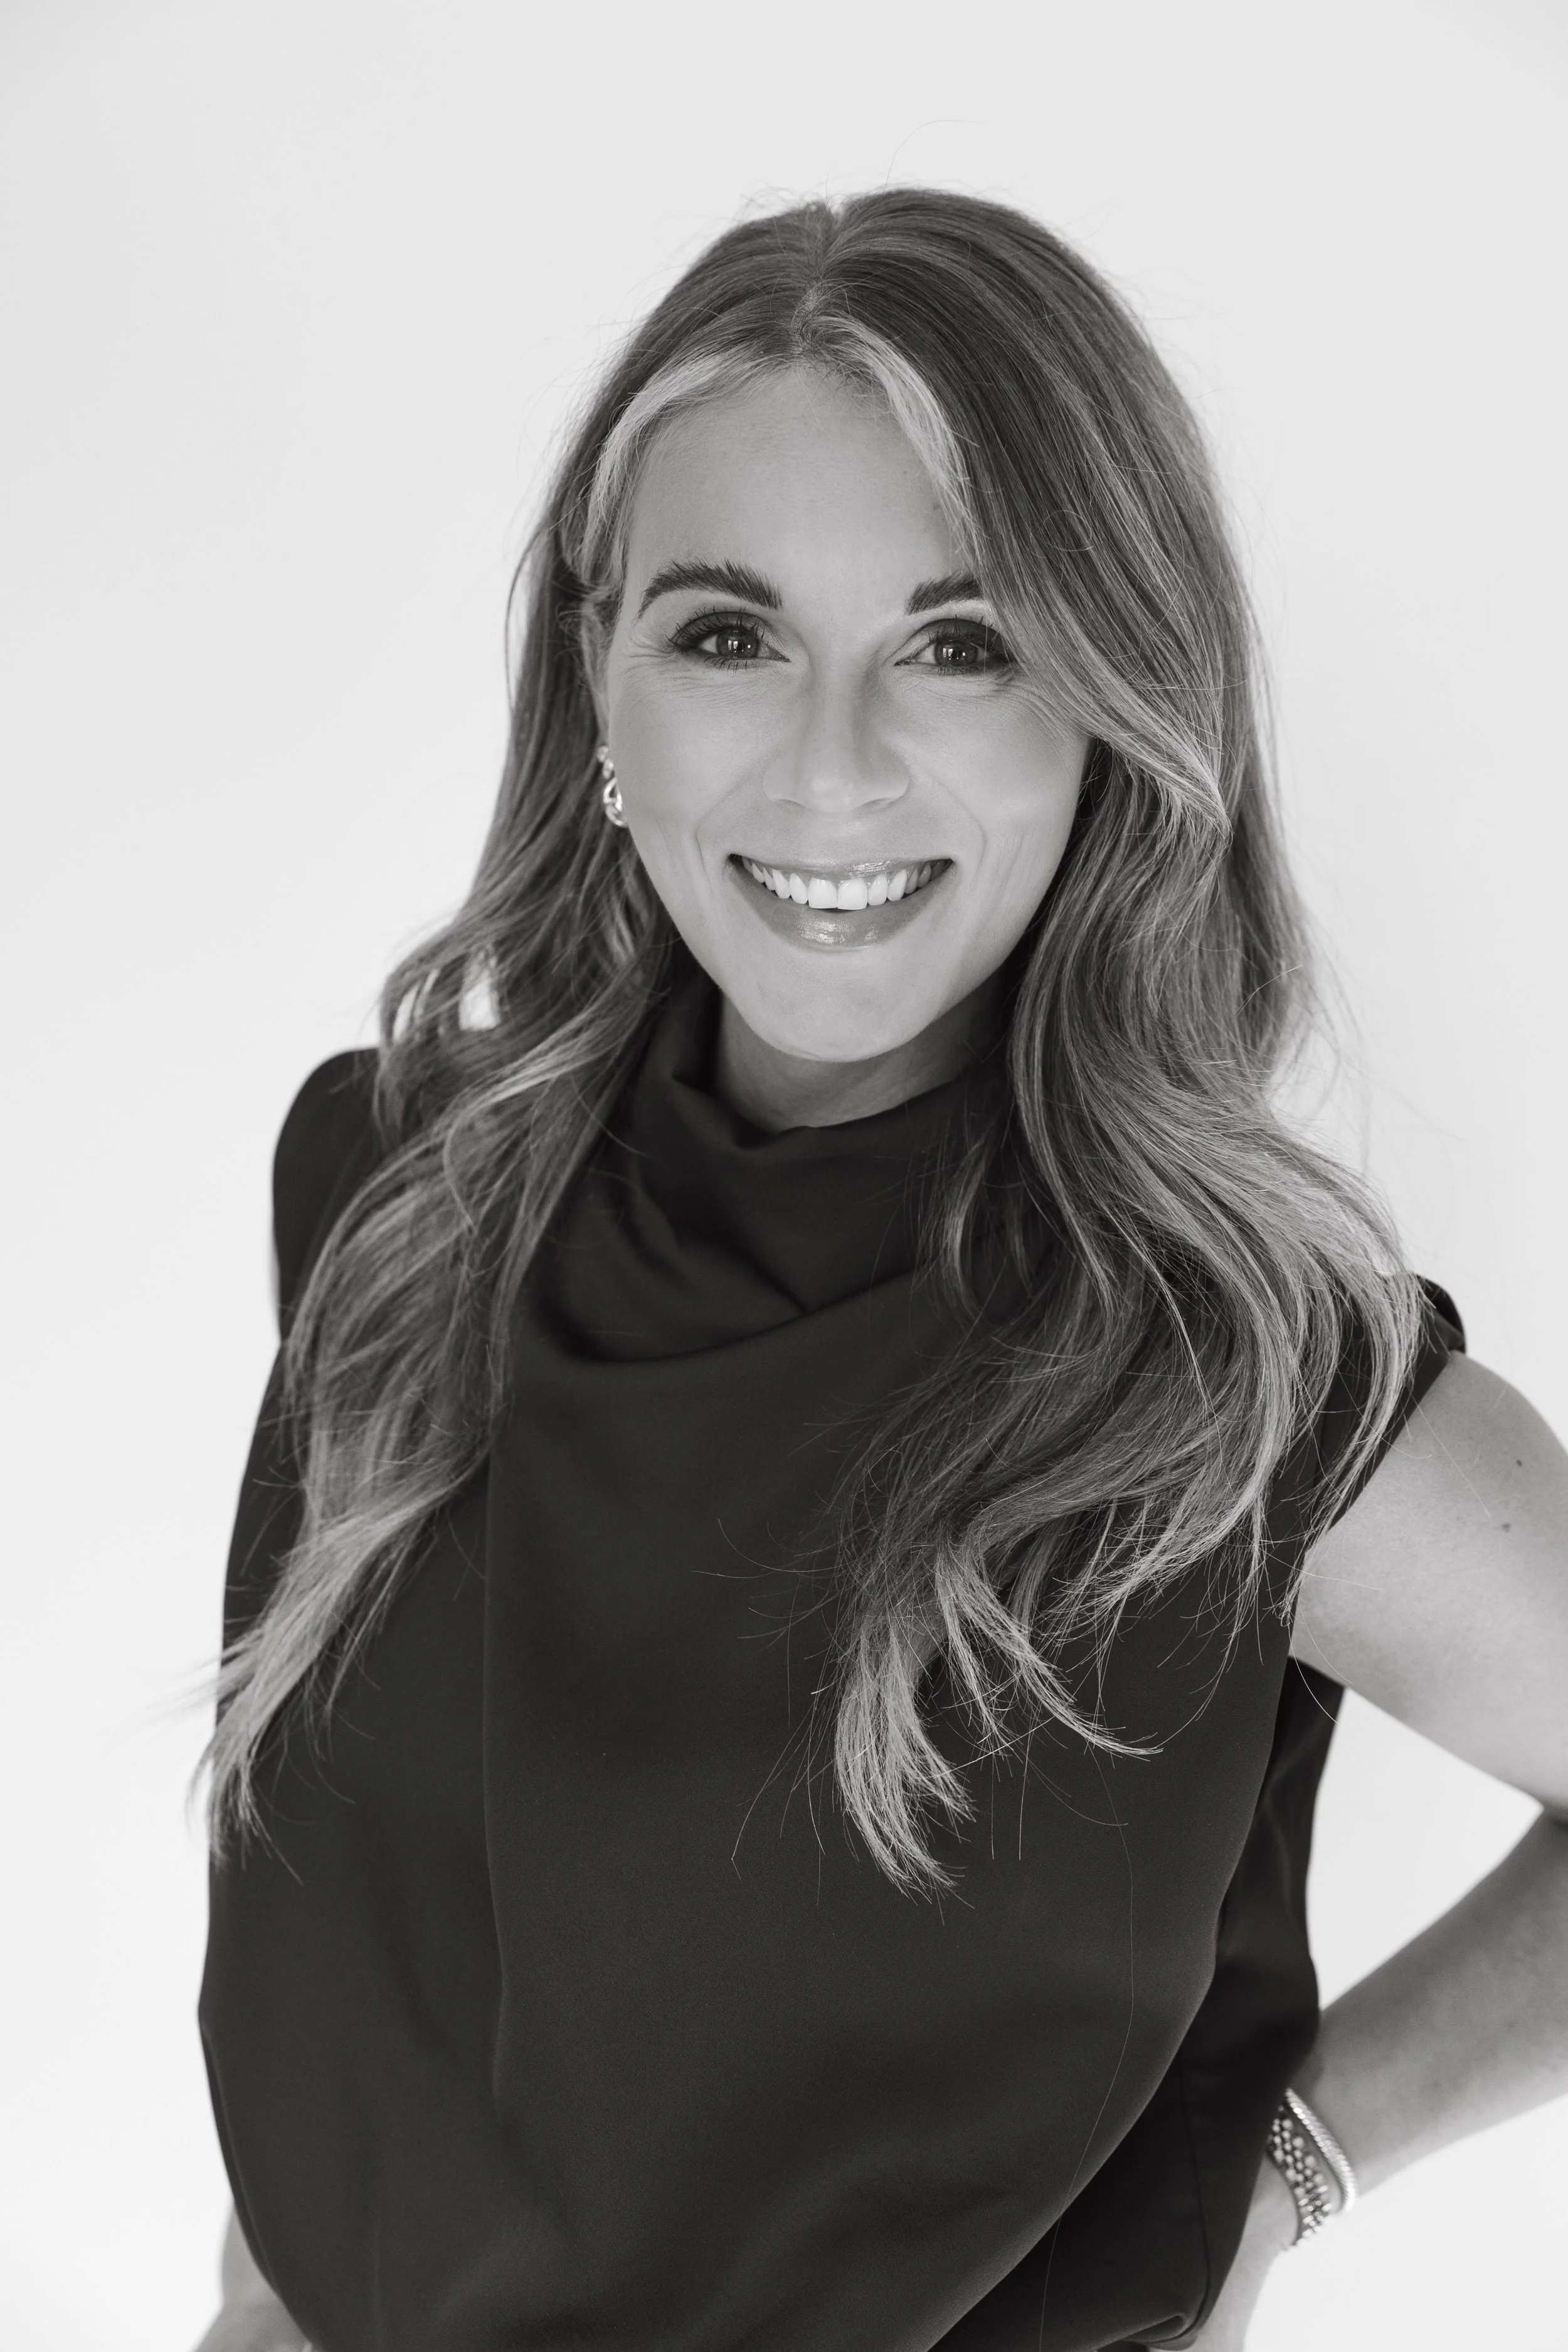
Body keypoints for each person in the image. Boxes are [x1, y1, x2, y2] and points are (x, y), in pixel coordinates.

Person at [193, 189, 1568, 2352]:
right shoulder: (392, 1197)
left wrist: (1295, 2161)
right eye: (727, 635)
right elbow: (358, 1984)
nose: (831, 771)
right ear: (598, 672)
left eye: (960, 643)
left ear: (1111, 699)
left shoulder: (1242, 1394)